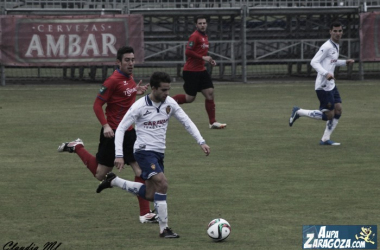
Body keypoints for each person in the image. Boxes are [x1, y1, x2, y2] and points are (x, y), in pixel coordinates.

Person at [96, 72, 211, 238]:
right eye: (164, 90)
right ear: (154, 88)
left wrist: (201, 141)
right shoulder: (139, 106)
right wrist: (119, 155)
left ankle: (114, 181)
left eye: (168, 90)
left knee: (151, 194)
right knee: (162, 183)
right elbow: (120, 128)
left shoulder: (170, 103)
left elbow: (186, 122)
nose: (167, 93)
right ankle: (164, 229)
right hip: (143, 151)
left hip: (158, 152)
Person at [57, 46, 158, 223]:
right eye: (127, 60)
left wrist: (136, 91)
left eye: (133, 60)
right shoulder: (112, 81)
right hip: (112, 134)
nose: (131, 63)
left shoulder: (129, 78)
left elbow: (123, 100)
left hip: (130, 132)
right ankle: (77, 147)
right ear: (118, 62)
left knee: (140, 170)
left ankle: (145, 214)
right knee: (100, 174)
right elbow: (97, 106)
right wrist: (105, 126)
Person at [289, 21, 355, 145]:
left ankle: (325, 139)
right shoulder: (327, 46)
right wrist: (326, 74)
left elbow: (332, 61)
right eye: (335, 31)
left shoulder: (335, 45)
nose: (337, 33)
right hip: (323, 86)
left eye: (339, 31)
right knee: (329, 115)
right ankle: (299, 112)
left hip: (331, 84)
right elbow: (314, 62)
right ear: (330, 32)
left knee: (338, 109)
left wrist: (344, 62)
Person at [172, 15, 226, 129]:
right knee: (189, 98)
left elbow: (201, 53)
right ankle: (167, 101)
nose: (202, 25)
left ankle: (213, 122)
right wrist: (203, 58)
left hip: (201, 70)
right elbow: (188, 52)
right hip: (191, 71)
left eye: (204, 23)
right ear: (196, 25)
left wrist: (209, 60)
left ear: (206, 24)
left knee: (210, 93)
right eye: (200, 23)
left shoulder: (205, 36)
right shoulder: (194, 36)